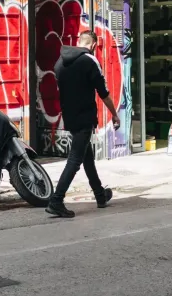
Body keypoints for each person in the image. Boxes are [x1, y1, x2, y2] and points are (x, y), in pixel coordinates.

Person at [46, 30, 120, 218]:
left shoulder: (59, 63)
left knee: (87, 157)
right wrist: (114, 114)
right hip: (85, 117)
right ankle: (56, 200)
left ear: (79, 42)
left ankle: (100, 195)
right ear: (94, 45)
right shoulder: (89, 61)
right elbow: (103, 93)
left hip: (70, 118)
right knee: (75, 160)